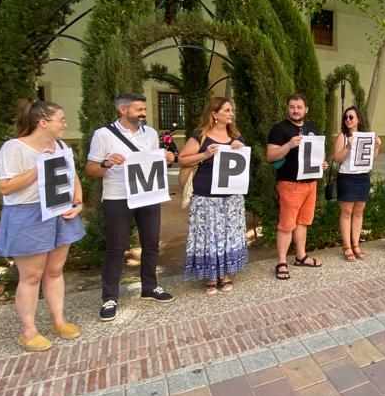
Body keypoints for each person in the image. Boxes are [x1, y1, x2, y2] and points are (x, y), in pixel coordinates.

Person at [0, 100, 84, 351]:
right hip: (27, 214)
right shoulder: (14, 148)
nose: (65, 124)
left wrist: (78, 202)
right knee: (31, 275)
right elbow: (5, 186)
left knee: (55, 270)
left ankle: (59, 320)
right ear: (43, 122)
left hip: (59, 211)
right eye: (61, 119)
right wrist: (38, 168)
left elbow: (72, 177)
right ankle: (29, 331)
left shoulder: (61, 146)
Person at [87, 93, 176, 322]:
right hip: (118, 198)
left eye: (145, 109)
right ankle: (109, 297)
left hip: (148, 194)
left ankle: (150, 286)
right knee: (116, 248)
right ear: (123, 110)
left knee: (151, 244)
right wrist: (107, 163)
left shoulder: (151, 134)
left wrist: (165, 159)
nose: (144, 113)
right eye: (139, 109)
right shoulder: (103, 135)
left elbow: (151, 163)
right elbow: (91, 170)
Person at [178, 97, 249, 293]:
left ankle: (225, 274)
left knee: (228, 234)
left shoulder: (237, 137)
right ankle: (210, 277)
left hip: (231, 198)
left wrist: (240, 149)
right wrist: (205, 155)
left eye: (231, 110)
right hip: (206, 196)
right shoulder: (200, 136)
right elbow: (182, 159)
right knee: (208, 235)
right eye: (227, 110)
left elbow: (242, 164)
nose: (231, 113)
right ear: (214, 114)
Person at [266, 94, 328, 279]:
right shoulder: (279, 129)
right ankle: (282, 261)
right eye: (292, 107)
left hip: (310, 183)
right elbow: (270, 156)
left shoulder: (312, 128)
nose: (295, 110)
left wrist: (322, 163)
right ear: (287, 108)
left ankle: (301, 257)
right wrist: (289, 145)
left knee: (303, 222)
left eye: (299, 107)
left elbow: (318, 153)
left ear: (306, 109)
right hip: (290, 184)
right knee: (286, 225)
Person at [333, 106, 381, 259]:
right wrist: (348, 146)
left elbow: (371, 159)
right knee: (346, 212)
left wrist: (377, 146)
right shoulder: (343, 136)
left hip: (363, 177)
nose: (348, 120)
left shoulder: (365, 136)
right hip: (347, 177)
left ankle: (356, 244)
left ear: (358, 119)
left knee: (359, 212)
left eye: (351, 117)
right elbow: (337, 159)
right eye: (346, 117)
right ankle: (347, 246)